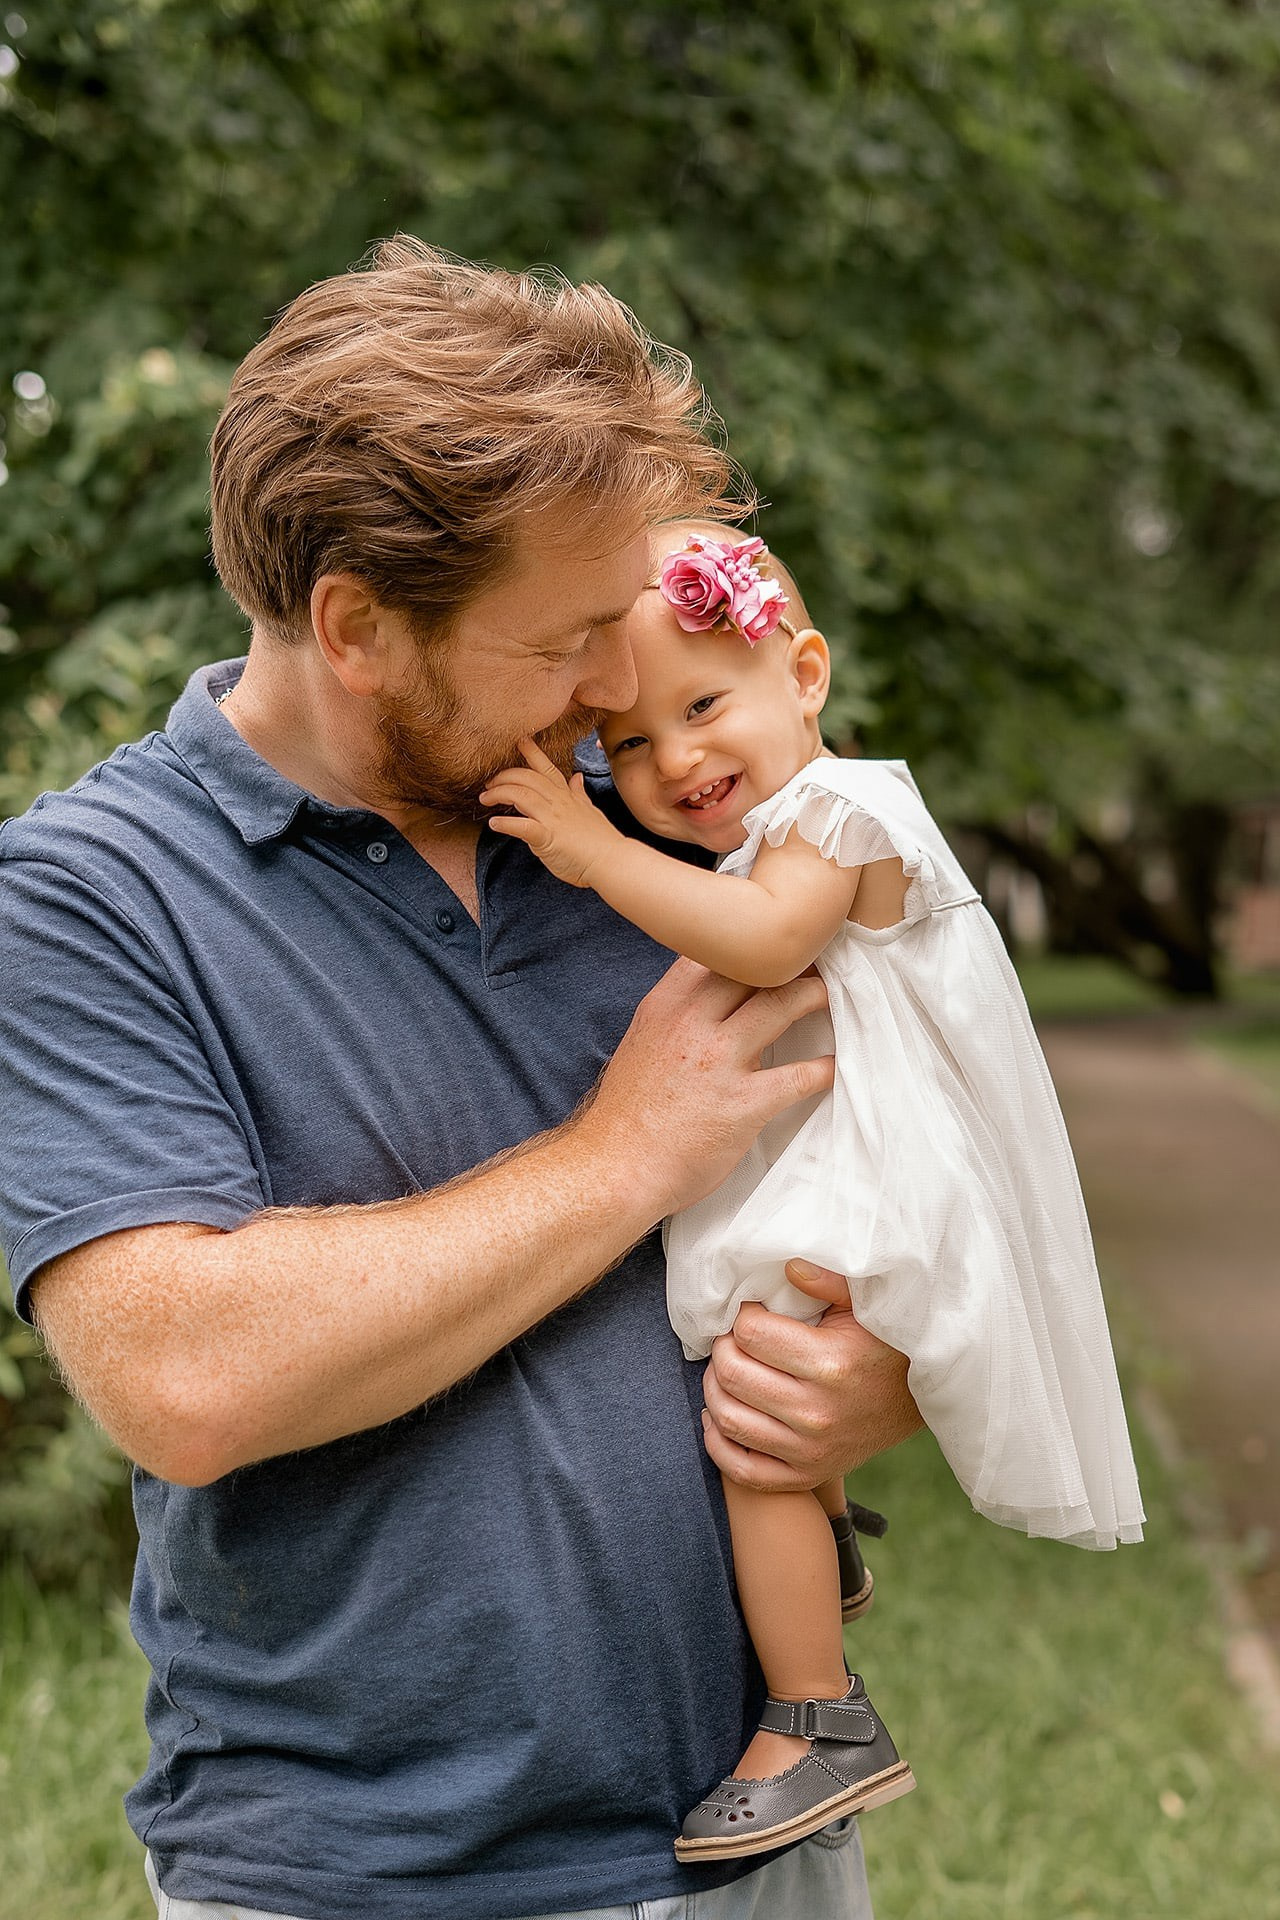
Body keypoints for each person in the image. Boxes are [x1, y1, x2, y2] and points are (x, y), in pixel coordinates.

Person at [0, 240, 923, 1920]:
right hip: (372, 1876)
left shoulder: (661, 822)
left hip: (761, 1836)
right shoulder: (87, 898)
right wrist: (621, 1156)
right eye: (564, 636)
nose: (607, 689)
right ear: (357, 626)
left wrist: (886, 1380)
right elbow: (186, 1380)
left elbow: (898, 1169)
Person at [480, 524, 1147, 1860]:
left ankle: (820, 1719)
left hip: (887, 1167)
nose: (676, 764)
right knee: (771, 1393)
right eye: (630, 748)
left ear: (807, 674)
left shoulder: (843, 816)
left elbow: (772, 937)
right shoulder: (784, 816)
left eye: (706, 707)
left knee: (756, 1423)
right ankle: (825, 1549)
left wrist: (590, 846)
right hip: (854, 1147)